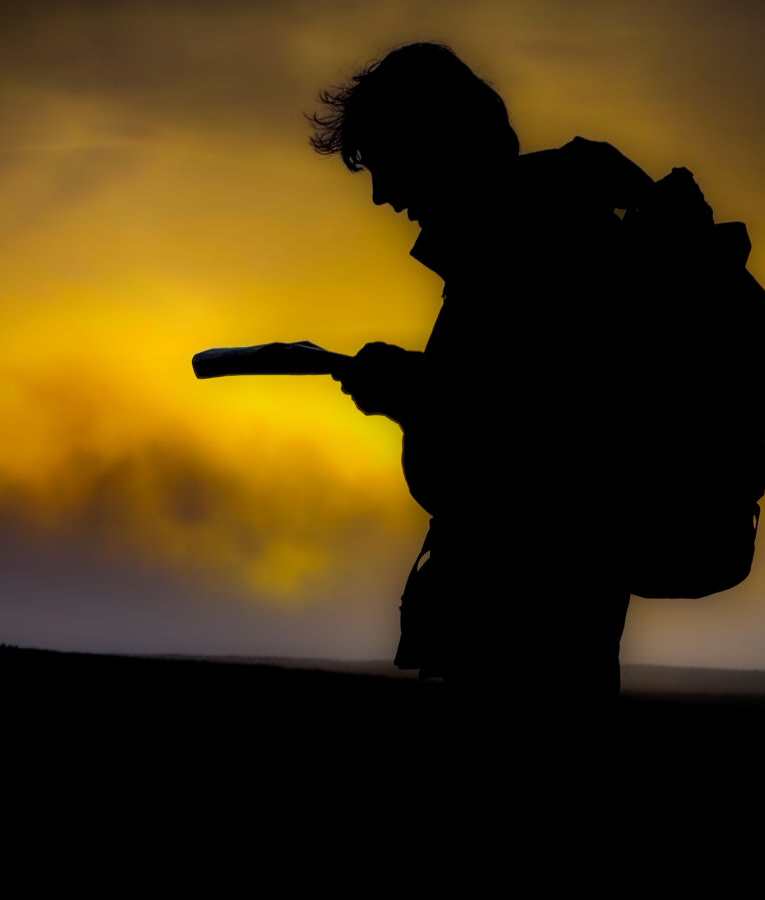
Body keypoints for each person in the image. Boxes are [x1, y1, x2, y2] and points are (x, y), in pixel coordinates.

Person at [308, 42, 647, 710]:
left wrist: (410, 395)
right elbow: (506, 395)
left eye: (387, 162)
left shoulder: (523, 251)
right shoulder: (541, 235)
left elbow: (523, 449)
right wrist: (419, 385)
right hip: (551, 614)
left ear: (436, 143)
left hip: (532, 626)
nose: (381, 195)